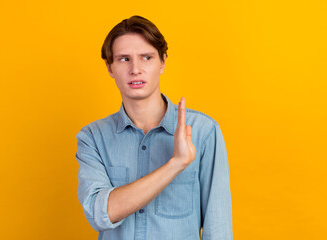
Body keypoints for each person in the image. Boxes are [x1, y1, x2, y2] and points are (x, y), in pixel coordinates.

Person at [75, 15, 233, 240]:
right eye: (123, 59)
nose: (135, 69)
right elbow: (100, 214)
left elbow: (218, 229)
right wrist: (176, 164)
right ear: (109, 67)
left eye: (146, 57)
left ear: (163, 62)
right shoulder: (92, 138)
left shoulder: (203, 131)